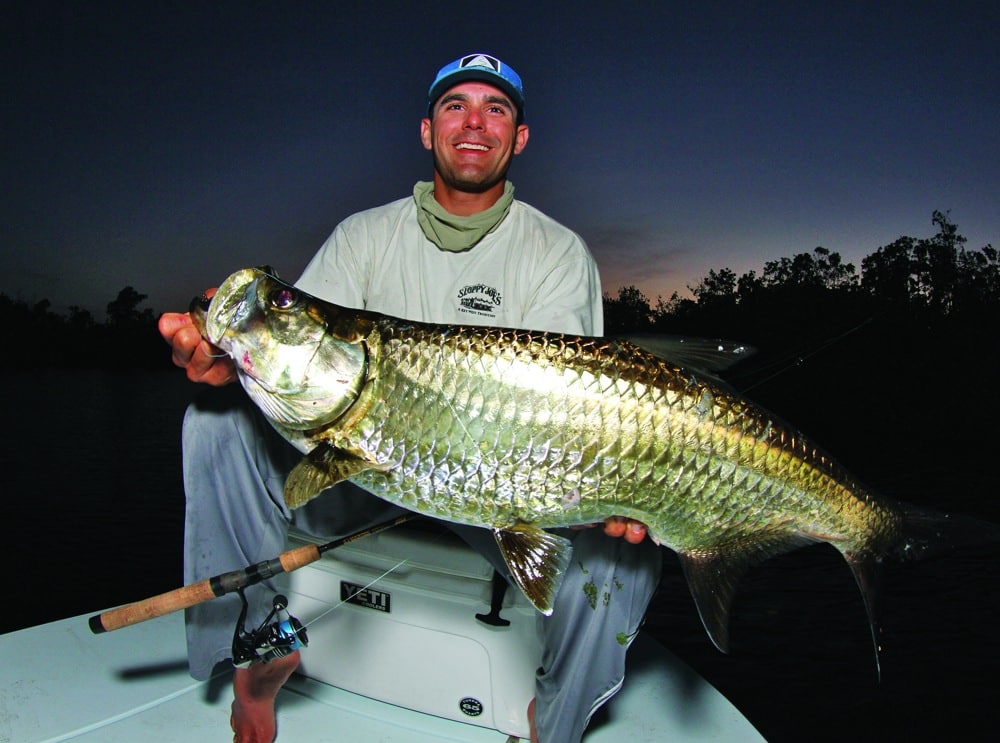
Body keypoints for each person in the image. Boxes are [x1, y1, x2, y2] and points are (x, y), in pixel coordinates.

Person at [159, 52, 662, 743]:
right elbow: (304, 355)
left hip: (495, 499)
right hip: (356, 470)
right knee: (212, 424)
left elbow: (561, 428)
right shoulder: (364, 237)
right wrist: (237, 364)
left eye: (496, 109)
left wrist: (616, 486)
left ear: (518, 137)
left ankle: (557, 720)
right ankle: (260, 644)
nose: (474, 123)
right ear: (428, 130)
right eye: (455, 106)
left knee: (623, 558)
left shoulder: (557, 253)